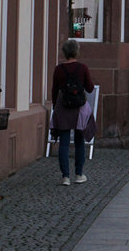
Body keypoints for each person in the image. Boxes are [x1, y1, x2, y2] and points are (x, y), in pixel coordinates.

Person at [51, 38, 95, 185]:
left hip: (63, 107)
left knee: (63, 143)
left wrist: (55, 107)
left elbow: (54, 90)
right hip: (79, 108)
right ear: (77, 52)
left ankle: (65, 177)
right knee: (79, 142)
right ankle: (79, 174)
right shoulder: (82, 68)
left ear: (64, 52)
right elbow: (90, 88)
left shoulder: (58, 69)